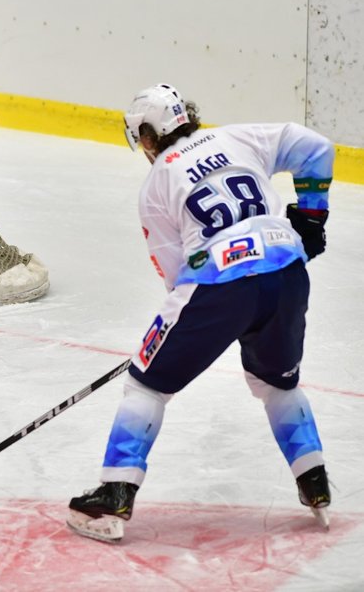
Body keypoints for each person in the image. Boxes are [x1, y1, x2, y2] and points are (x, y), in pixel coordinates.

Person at [66, 83, 335, 543]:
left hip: (218, 285)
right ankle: (315, 480)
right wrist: (311, 218)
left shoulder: (155, 184)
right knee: (277, 383)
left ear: (149, 136)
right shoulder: (239, 138)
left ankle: (116, 491)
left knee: (145, 384)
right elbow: (317, 149)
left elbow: (178, 277)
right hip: (288, 270)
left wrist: (203, 330)